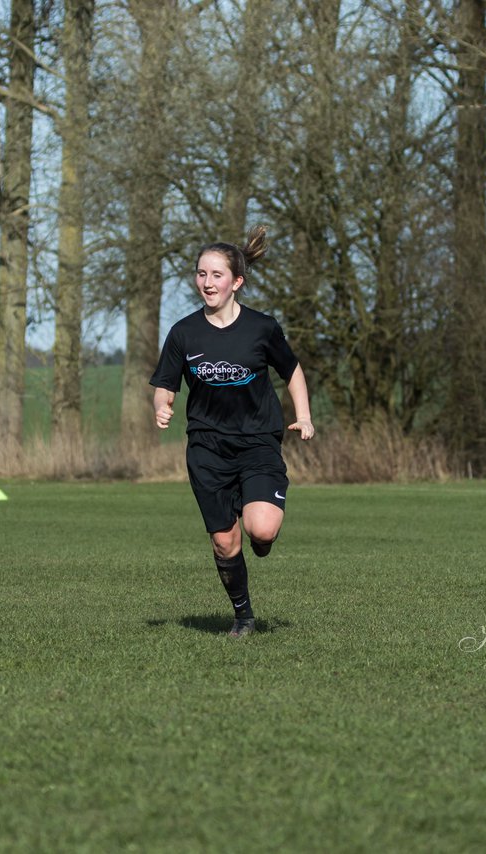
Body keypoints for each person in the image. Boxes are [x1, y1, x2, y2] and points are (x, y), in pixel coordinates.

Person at [149, 226, 315, 638]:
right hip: (206, 447)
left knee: (261, 530)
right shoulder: (184, 333)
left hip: (258, 441)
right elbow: (165, 384)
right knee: (225, 543)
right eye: (201, 274)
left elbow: (291, 369)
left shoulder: (262, 328)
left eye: (216, 275)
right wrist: (162, 407)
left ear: (236, 282)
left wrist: (305, 415)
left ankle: (261, 533)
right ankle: (243, 616)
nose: (207, 282)